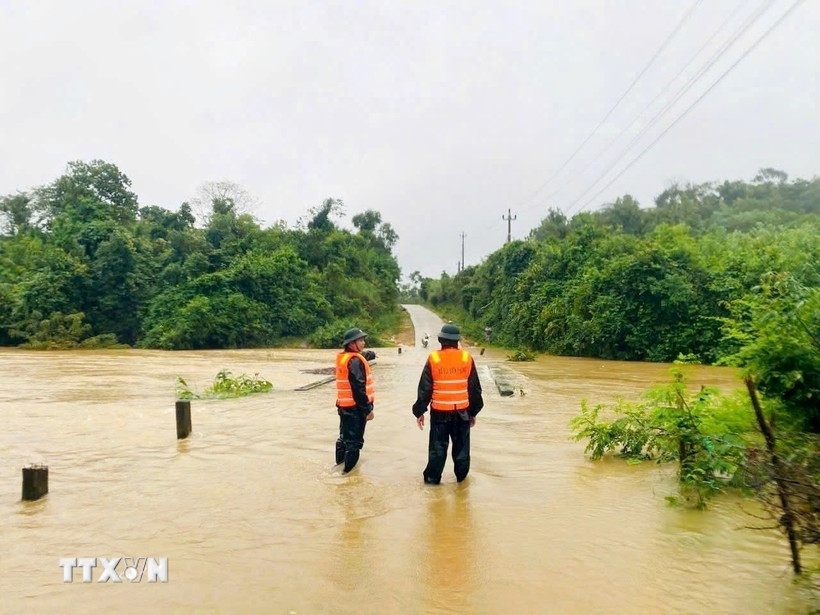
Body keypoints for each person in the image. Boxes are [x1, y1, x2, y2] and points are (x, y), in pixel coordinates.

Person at [412, 324, 483, 484]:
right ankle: (461, 482)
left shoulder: (434, 359)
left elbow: (425, 388)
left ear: (441, 340)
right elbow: (475, 389)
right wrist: (473, 412)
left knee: (437, 450)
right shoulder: (466, 358)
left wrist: (419, 411)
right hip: (462, 414)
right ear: (457, 341)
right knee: (462, 451)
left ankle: (432, 482)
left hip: (440, 414)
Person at [335, 327, 376, 473]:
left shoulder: (345, 358)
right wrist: (367, 410)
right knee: (354, 443)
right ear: (352, 344)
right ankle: (347, 475)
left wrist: (369, 355)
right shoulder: (355, 361)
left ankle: (339, 465)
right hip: (355, 409)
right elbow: (359, 389)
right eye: (361, 340)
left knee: (343, 438)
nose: (364, 342)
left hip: (344, 406)